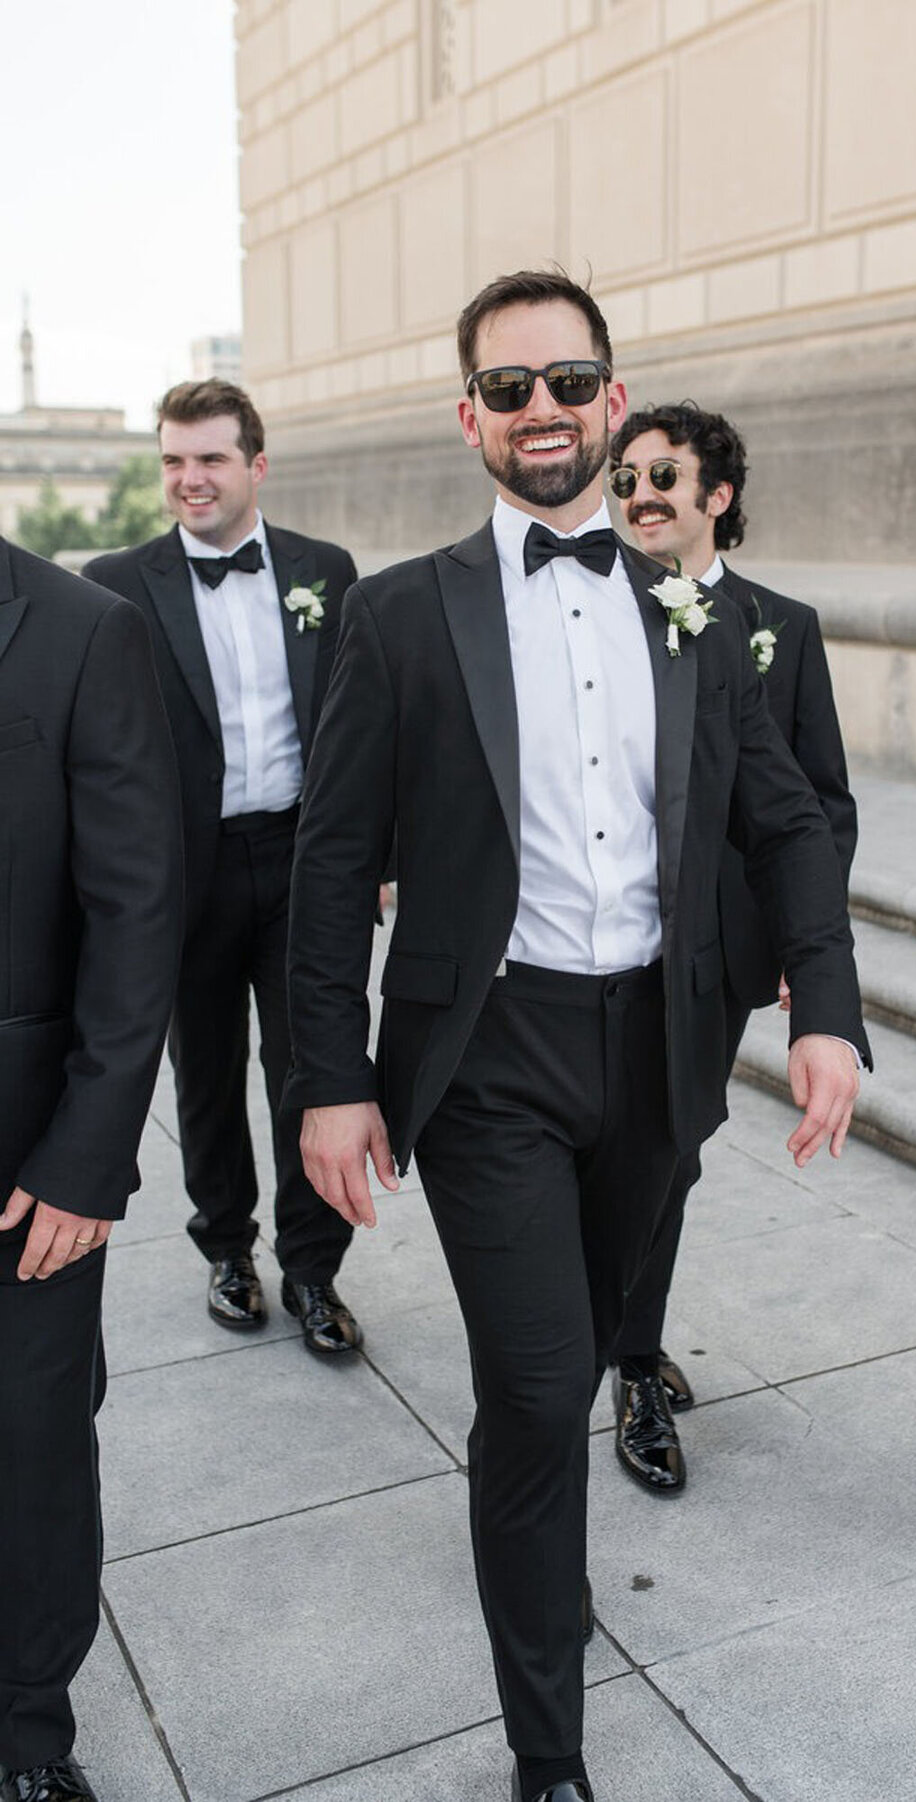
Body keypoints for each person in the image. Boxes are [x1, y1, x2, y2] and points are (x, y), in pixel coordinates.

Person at [286, 268, 868, 1802]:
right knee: (539, 1393)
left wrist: (831, 1007)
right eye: (508, 387)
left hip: (660, 1045)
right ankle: (552, 1750)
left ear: (616, 400)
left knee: (610, 1334)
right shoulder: (401, 614)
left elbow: (786, 815)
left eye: (570, 380)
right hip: (490, 1054)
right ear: (468, 414)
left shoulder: (700, 607)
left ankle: (544, 1557)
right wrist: (330, 1078)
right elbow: (335, 858)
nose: (541, 409)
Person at [606, 399, 857, 1494]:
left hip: (717, 956)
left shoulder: (780, 625)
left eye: (665, 475)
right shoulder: (585, 608)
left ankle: (630, 1359)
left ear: (719, 497)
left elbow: (820, 810)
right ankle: (590, 1335)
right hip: (593, 943)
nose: (639, 492)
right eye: (627, 476)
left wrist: (806, 957)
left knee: (668, 1151)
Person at [84, 381, 364, 1355]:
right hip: (183, 876)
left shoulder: (326, 570)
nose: (189, 478)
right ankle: (227, 1247)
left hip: (303, 861)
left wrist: (375, 855)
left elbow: (362, 726)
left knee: (313, 1072)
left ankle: (316, 1270)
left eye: (208, 458)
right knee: (202, 1073)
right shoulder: (114, 580)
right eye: (173, 459)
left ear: (256, 464)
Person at [0, 538, 182, 1802]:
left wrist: (87, 1161)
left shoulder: (84, 629)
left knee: (32, 1445)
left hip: (25, 1154)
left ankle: (27, 1736)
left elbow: (138, 911)